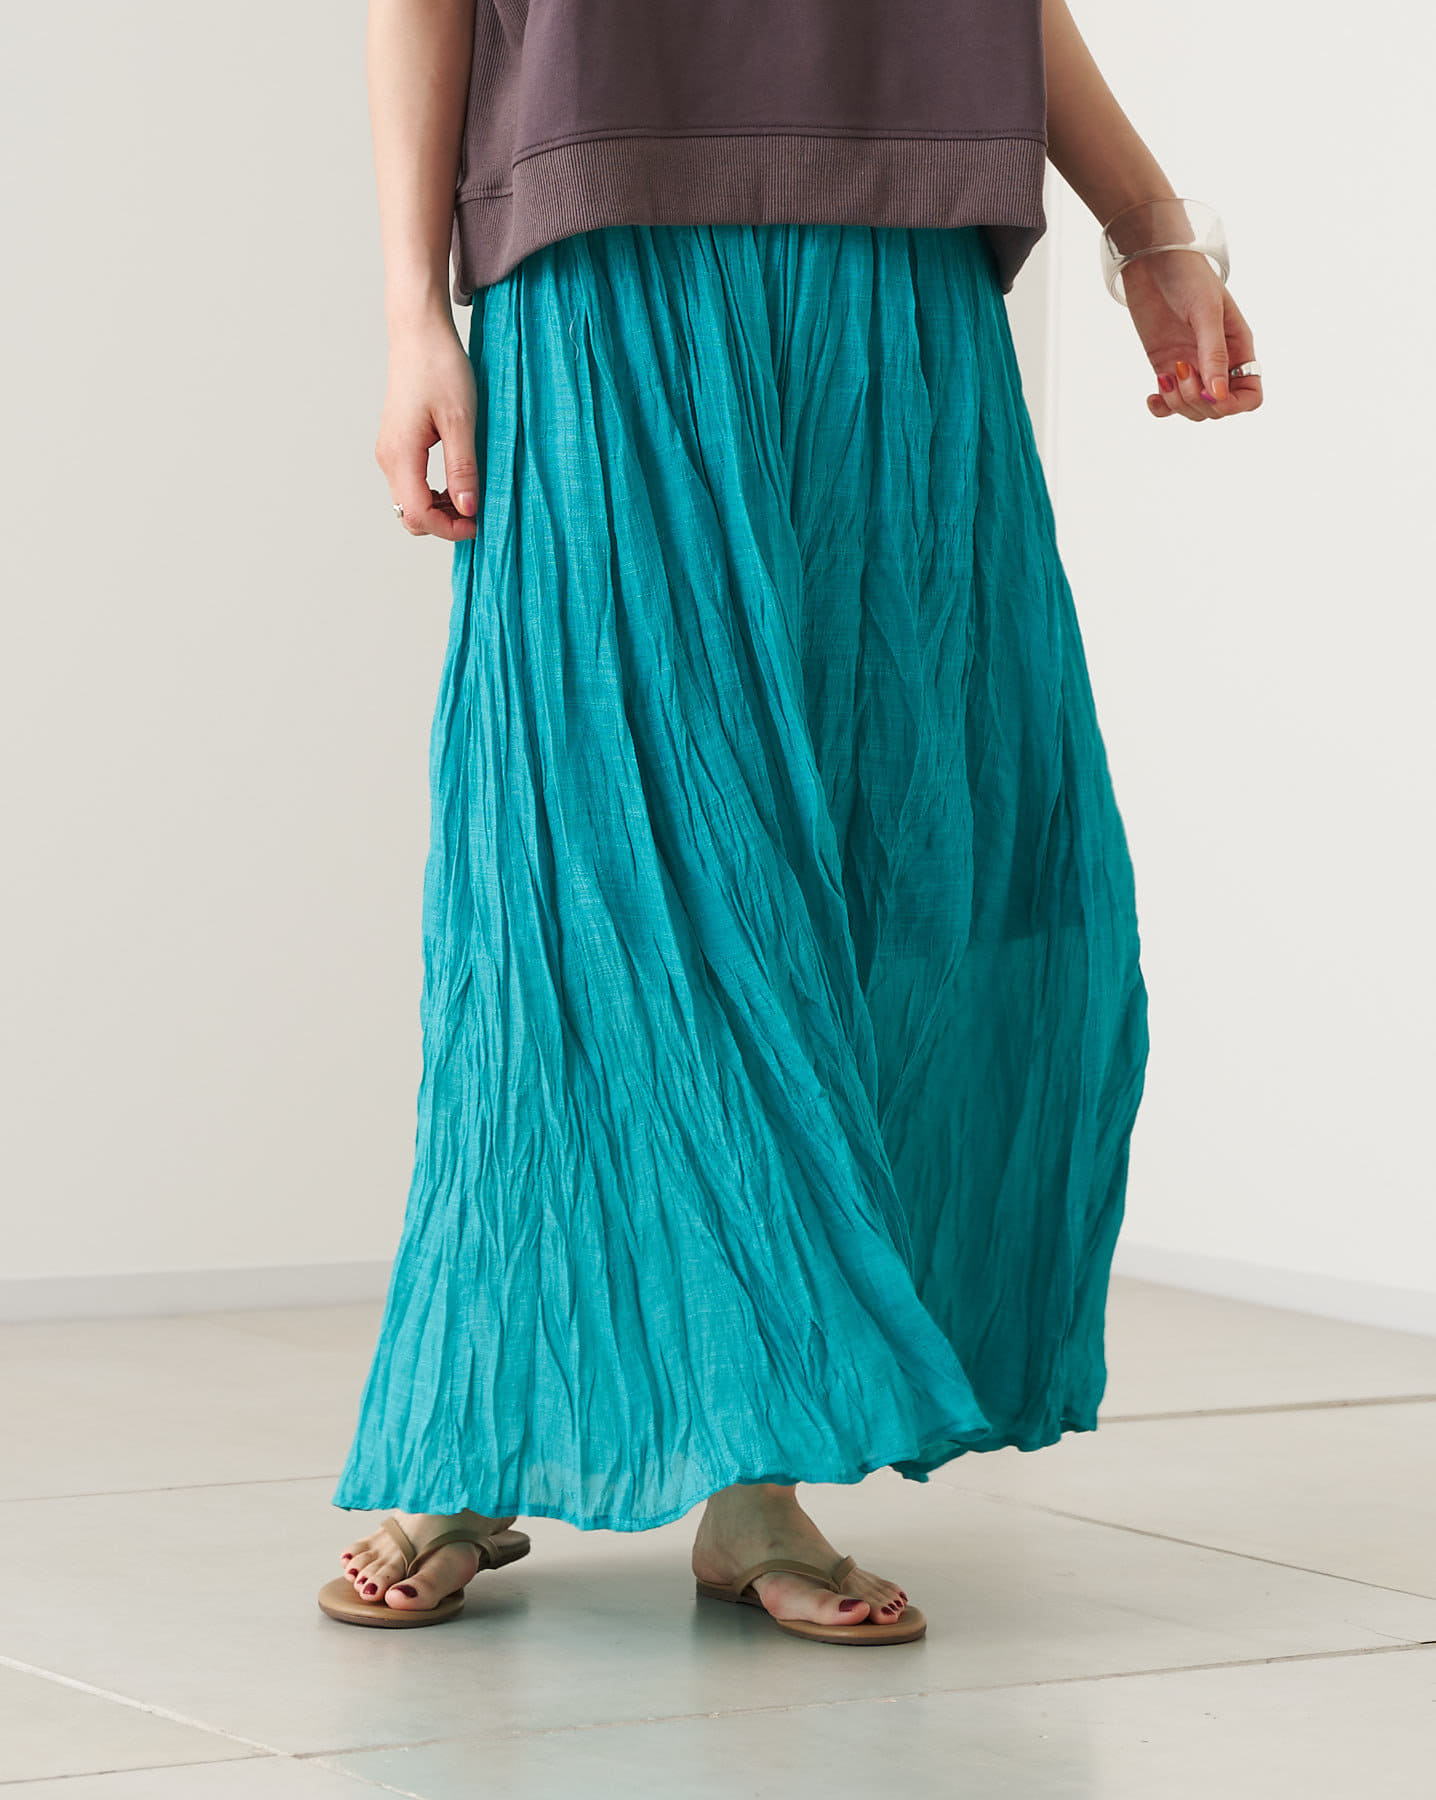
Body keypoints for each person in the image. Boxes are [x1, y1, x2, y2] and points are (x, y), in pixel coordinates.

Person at [319, 0, 1262, 1647]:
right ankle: (479, 1425)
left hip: (898, 259)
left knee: (886, 860)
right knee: (587, 860)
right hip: (597, 251)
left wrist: (1150, 226)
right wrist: (413, 310)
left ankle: (760, 1466)